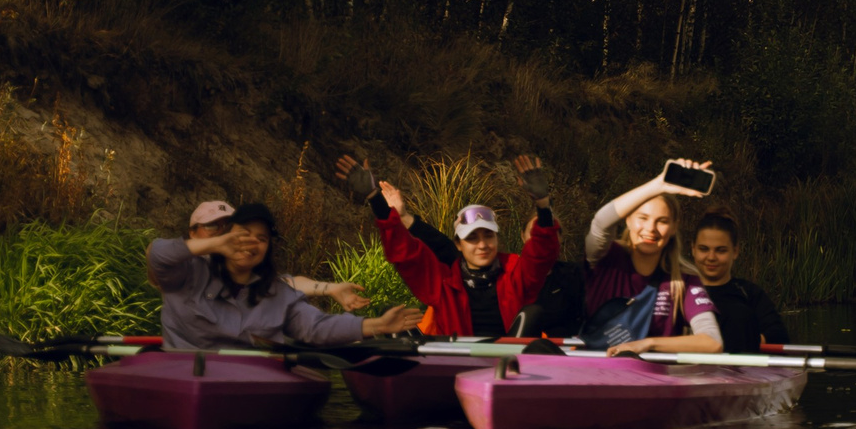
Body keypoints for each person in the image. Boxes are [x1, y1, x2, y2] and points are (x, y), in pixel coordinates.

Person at [335, 154, 560, 338]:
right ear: (458, 245)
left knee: (532, 313)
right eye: (472, 238)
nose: (482, 244)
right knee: (393, 321)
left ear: (497, 239)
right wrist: (375, 197)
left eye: (488, 236)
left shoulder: (516, 271)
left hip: (509, 364)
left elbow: (542, 253)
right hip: (452, 365)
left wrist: (542, 203)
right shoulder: (442, 281)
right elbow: (405, 253)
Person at [147, 200, 423, 350]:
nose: (252, 243)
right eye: (244, 234)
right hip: (182, 371)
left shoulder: (277, 293)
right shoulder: (186, 274)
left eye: (262, 238)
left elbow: (316, 328)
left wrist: (378, 326)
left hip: (242, 382)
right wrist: (215, 244)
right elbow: (157, 254)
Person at [580, 160, 723, 355]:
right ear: (628, 219)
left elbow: (713, 342)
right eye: (643, 218)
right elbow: (601, 222)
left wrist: (648, 344)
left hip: (652, 378)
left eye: (662, 221)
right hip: (592, 370)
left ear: (674, 227)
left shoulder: (684, 279)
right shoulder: (604, 257)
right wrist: (659, 185)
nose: (651, 229)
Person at [185, 199, 372, 315]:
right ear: (192, 233)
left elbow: (284, 284)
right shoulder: (182, 267)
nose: (221, 233)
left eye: (226, 226)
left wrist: (329, 288)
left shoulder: (243, 269)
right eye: (211, 225)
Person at [689, 213, 787, 356]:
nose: (711, 257)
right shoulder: (680, 291)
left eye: (720, 250)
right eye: (704, 249)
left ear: (735, 251)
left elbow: (779, 335)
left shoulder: (749, 293)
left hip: (740, 373)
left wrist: (740, 340)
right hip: (693, 374)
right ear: (693, 249)